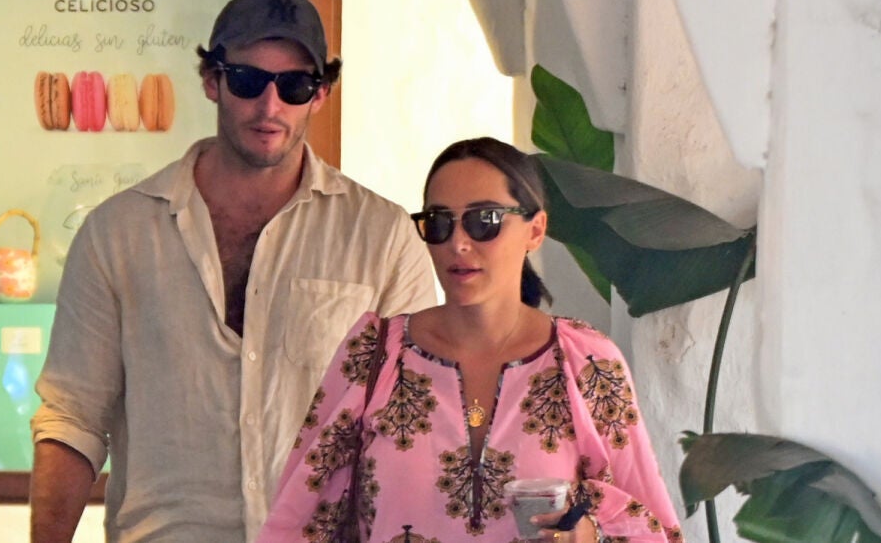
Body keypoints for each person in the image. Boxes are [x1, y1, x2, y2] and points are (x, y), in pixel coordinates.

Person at [29, 0, 436, 543]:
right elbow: (72, 416)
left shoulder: (381, 236)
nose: (270, 106)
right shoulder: (118, 233)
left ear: (320, 94)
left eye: (294, 86)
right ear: (211, 80)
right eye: (247, 81)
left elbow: (414, 421)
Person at [257, 137, 684, 542]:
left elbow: (652, 528)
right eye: (439, 223)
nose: (458, 243)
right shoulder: (374, 356)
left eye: (485, 221)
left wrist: (589, 533)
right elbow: (301, 521)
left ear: (535, 230)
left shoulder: (586, 362)